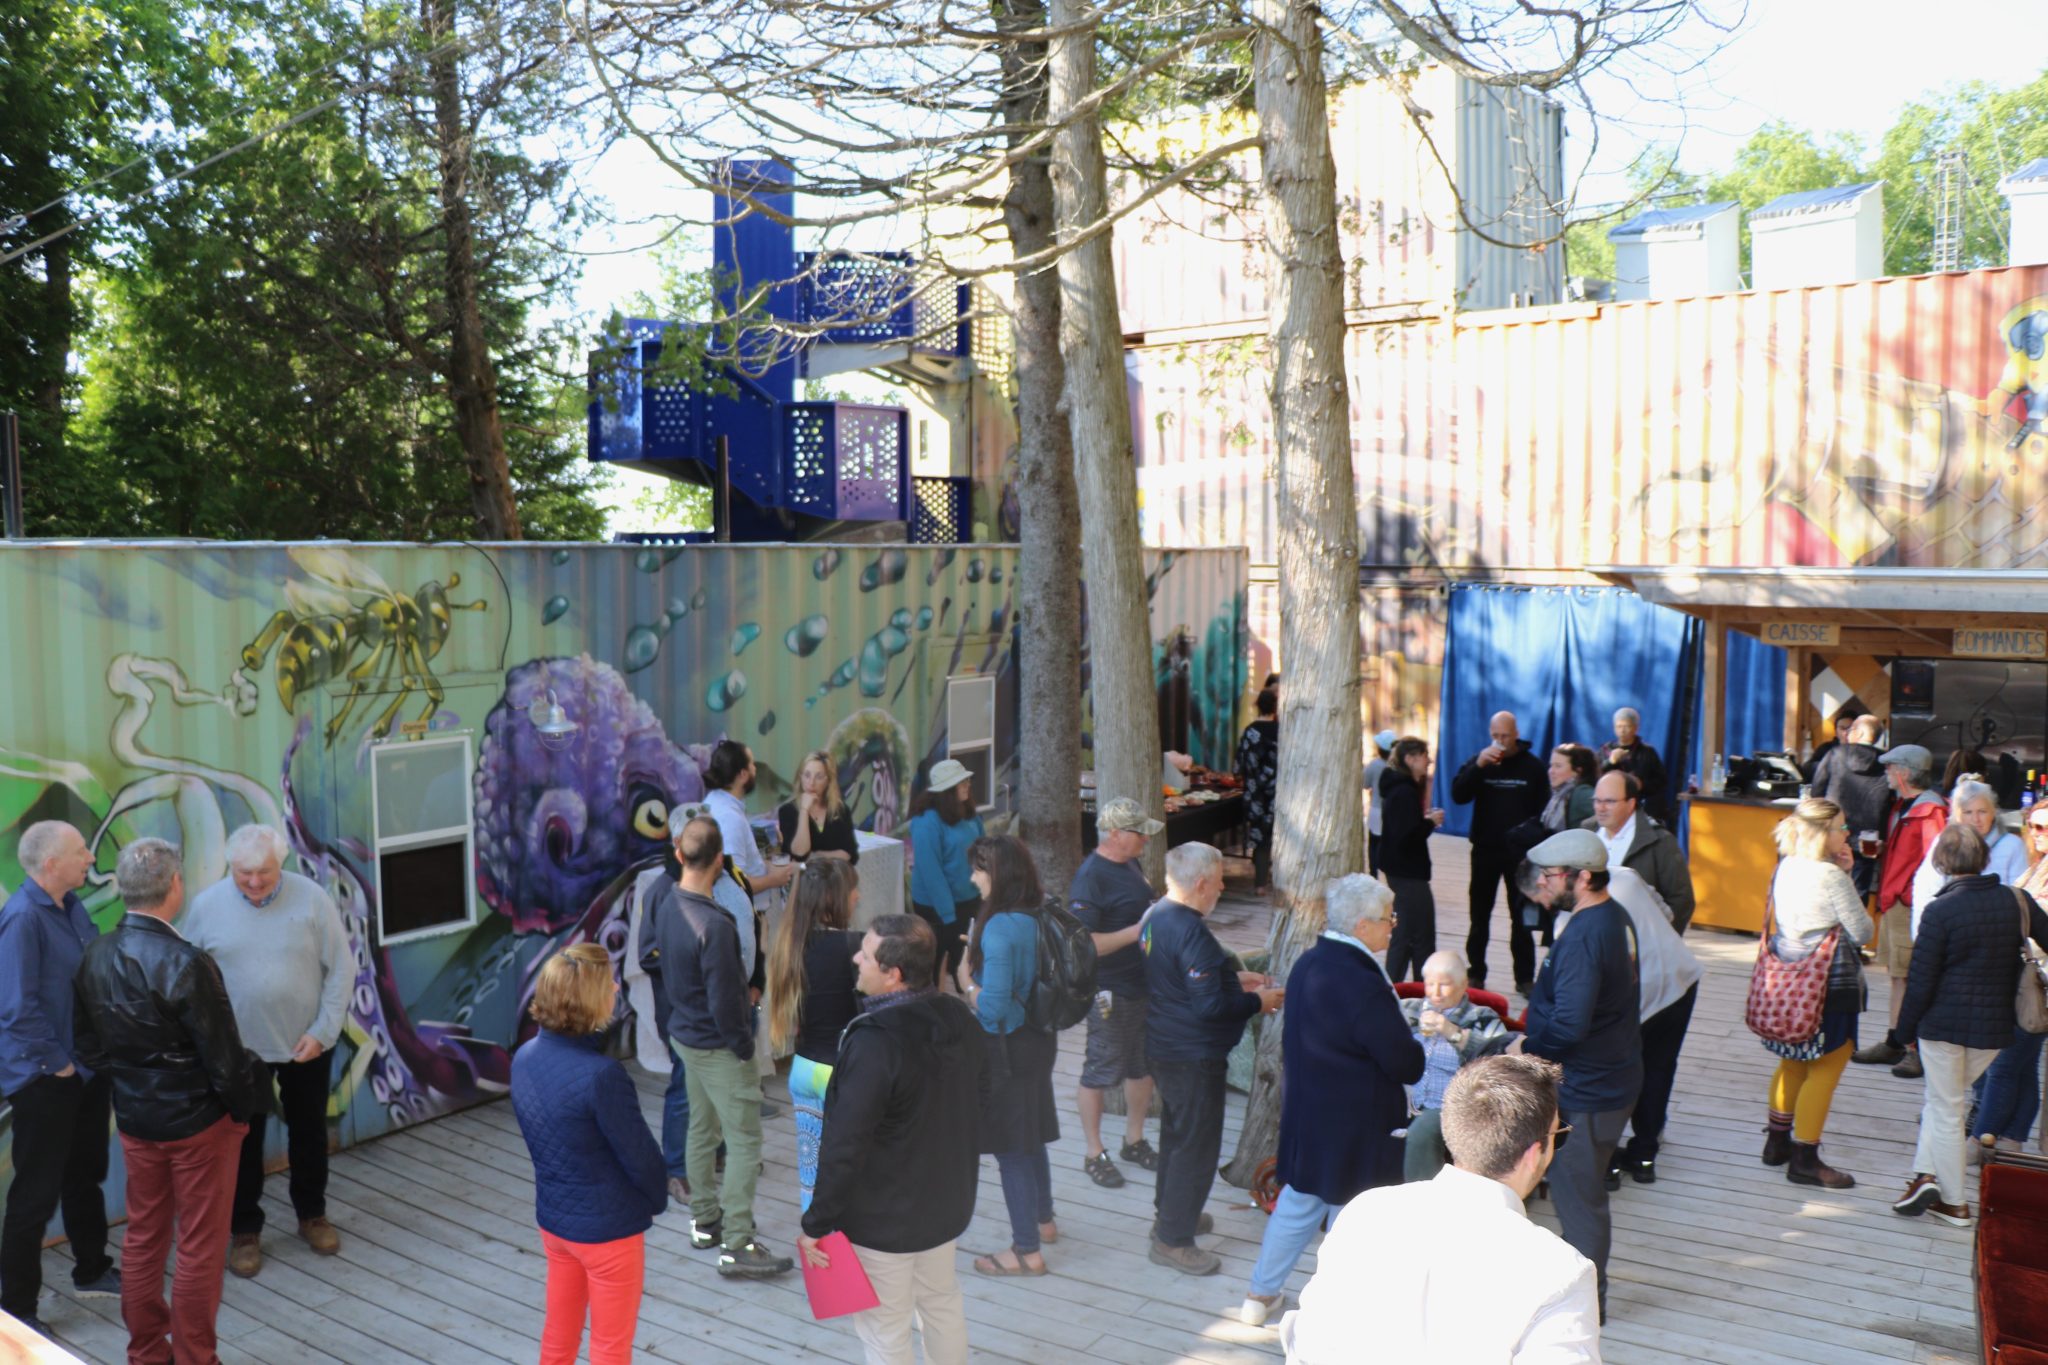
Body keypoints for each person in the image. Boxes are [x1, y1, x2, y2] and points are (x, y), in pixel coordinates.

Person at [73, 837, 264, 1365]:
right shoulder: (186, 961)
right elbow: (224, 1056)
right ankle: (196, 1357)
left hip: (138, 1121)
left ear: (124, 888)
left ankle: (145, 1354)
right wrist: (240, 1113)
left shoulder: (95, 954)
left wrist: (135, 1082)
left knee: (142, 1238)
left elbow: (86, 1044)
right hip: (199, 1124)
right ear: (175, 884)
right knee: (200, 1246)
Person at [1278, 1055, 1599, 1364]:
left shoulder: (1365, 1212)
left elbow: (1308, 1345)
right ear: (1533, 1154)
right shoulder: (1561, 1272)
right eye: (1558, 1137)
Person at [798, 915, 987, 1365]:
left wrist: (816, 1223)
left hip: (883, 1220)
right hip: (945, 1204)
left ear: (893, 974)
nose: (856, 958)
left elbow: (845, 1144)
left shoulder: (875, 1042)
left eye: (866, 954)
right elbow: (980, 1102)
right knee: (942, 1305)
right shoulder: (960, 1017)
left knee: (885, 1330)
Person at [1240, 875, 1425, 1326]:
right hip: (1357, 1126)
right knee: (1353, 1220)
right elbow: (1405, 1063)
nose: (1394, 925)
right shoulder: (1361, 982)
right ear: (1362, 925)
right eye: (1388, 918)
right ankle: (1340, 1314)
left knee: (1297, 1205)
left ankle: (1259, 1296)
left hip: (1309, 1117)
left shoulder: (1309, 962)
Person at [180, 824, 352, 1277]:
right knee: (242, 1141)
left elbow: (342, 968)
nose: (255, 881)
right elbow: (187, 978)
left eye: (264, 871)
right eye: (244, 873)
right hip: (239, 1053)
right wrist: (211, 1042)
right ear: (230, 867)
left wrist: (323, 1031)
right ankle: (244, 1230)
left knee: (309, 1132)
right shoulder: (206, 907)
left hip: (305, 1043)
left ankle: (312, 1215)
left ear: (281, 863)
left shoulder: (312, 898)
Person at [651, 814, 793, 1278]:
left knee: (701, 1129)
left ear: (679, 853)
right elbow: (727, 1003)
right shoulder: (715, 924)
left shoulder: (667, 902)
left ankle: (705, 1221)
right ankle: (736, 1243)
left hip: (685, 1037)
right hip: (719, 1045)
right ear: (719, 861)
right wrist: (744, 1048)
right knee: (745, 1140)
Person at [510, 943, 666, 1365]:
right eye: (608, 982)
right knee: (610, 1348)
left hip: (555, 1223)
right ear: (588, 999)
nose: (616, 986)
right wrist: (656, 1200)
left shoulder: (523, 1059)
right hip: (608, 1232)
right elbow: (641, 1158)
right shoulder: (603, 1076)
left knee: (558, 1337)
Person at [1891, 825, 2048, 1227]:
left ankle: (1954, 1203)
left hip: (1943, 1026)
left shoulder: (1940, 910)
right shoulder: (2016, 900)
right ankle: (1923, 1177)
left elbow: (1921, 981)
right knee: (1943, 1101)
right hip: (1995, 1029)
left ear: (1941, 863)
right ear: (1983, 858)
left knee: (1946, 1108)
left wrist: (1901, 1034)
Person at [0, 821, 120, 1335]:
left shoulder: (71, 906)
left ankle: (91, 1269)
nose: (90, 858)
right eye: (80, 851)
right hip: (47, 1078)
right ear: (51, 864)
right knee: (34, 1195)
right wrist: (61, 1065)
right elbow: (15, 1008)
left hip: (84, 1071)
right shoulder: (23, 919)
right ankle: (17, 1311)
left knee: (83, 1173)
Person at [1142, 842, 1284, 1275]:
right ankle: (1173, 1241)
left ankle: (1171, 1216)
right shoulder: (1192, 932)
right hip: (1193, 1054)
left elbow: (1178, 979)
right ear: (1202, 883)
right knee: (1196, 1148)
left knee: (1176, 1137)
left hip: (1164, 1045)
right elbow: (1210, 1008)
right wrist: (1258, 1002)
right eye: (1220, 881)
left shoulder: (1156, 916)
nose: (1223, 887)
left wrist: (1230, 979)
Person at [1519, 828, 1641, 1321]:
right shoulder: (1613, 916)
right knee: (1579, 1192)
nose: (1542, 884)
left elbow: (1570, 1024)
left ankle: (1589, 1306)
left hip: (1588, 1092)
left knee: (1579, 1199)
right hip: (1611, 1077)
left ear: (1583, 877)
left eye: (1550, 876)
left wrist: (1526, 1046)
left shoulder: (1587, 935)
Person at [1554, 858, 1704, 1188]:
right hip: (1677, 981)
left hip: (1632, 999)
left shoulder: (1571, 920)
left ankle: (1606, 1165)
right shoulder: (1628, 876)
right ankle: (1645, 1157)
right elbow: (1667, 913)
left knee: (1612, 1076)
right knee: (1659, 1069)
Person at [1753, 798, 1872, 1190]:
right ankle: (1805, 1158)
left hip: (1788, 982)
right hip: (1827, 985)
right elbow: (1863, 932)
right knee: (1826, 1066)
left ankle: (1777, 1142)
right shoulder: (1830, 876)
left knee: (1792, 1062)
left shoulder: (1786, 864)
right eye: (1841, 827)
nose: (1847, 834)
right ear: (1823, 832)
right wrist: (1847, 876)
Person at [961, 836, 1061, 1276]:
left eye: (978, 870)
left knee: (1011, 1148)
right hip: (1040, 1038)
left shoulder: (1000, 927)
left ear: (997, 874)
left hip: (1007, 1048)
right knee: (1031, 1132)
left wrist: (967, 981)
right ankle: (1044, 1220)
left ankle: (1026, 1251)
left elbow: (994, 1007)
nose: (972, 878)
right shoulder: (1041, 911)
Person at [1067, 797, 1160, 1189]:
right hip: (1110, 991)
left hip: (1143, 986)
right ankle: (1094, 1152)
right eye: (1139, 833)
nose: (1145, 840)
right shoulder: (1091, 878)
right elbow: (1085, 944)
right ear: (1116, 834)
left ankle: (1133, 1140)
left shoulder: (1131, 864)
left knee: (1143, 1066)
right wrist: (1138, 931)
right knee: (1100, 1071)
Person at [764, 858, 861, 1210]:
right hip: (844, 1073)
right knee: (852, 1175)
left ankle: (816, 1241)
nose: (858, 896)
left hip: (804, 1070)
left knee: (811, 1176)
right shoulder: (857, 948)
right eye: (853, 890)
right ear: (835, 898)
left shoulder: (789, 946)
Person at [1855, 744, 1948, 1077]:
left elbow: (1937, 864)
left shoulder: (1930, 812)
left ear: (1905, 772)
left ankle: (1914, 1049)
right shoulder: (1905, 806)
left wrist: (1908, 895)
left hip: (1909, 905)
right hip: (1896, 902)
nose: (1886, 773)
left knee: (1911, 978)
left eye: (1889, 767)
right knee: (1898, 976)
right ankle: (1895, 1041)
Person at [1450, 711, 1549, 992]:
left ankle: (1524, 978)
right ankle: (1476, 972)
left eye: (1505, 735)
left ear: (1516, 734)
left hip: (1520, 856)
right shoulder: (1481, 761)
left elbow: (1544, 810)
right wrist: (1478, 766)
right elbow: (1458, 795)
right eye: (1495, 736)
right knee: (1479, 915)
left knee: (1521, 917)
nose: (1501, 741)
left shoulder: (1533, 767)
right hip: (1485, 850)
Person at [1396, 951, 1513, 1184]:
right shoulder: (1408, 1010)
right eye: (1430, 984)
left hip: (1449, 1105)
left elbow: (1498, 1060)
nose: (1436, 992)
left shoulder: (1481, 1017)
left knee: (1422, 1132)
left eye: (1445, 985)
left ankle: (1421, 1197)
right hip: (1402, 1099)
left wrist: (1453, 1032)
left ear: (1463, 985)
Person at [1972, 804, 2048, 1161]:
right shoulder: (2036, 867)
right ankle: (2013, 1139)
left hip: (2039, 985)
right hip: (2021, 979)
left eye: (2045, 828)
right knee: (2023, 1065)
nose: (2037, 833)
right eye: (2033, 826)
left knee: (2003, 1065)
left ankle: (1979, 1140)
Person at [1582, 770, 1695, 934]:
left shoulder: (1660, 841)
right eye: (1597, 801)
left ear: (1631, 803)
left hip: (1639, 941)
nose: (1601, 808)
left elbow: (1681, 900)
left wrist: (1660, 940)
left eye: (1610, 801)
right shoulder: (1586, 832)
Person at [1911, 777, 2027, 931]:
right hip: (1953, 931)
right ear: (1957, 816)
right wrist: (1923, 933)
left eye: (1982, 811)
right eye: (1968, 812)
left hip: (1998, 932)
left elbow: (2020, 897)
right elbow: (1926, 889)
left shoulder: (2012, 845)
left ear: (1993, 812)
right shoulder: (1945, 842)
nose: (1975, 819)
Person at [909, 758, 983, 990]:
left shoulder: (969, 814)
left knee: (965, 957)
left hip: (969, 898)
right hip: (936, 906)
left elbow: (983, 849)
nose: (968, 785)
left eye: (967, 780)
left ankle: (965, 995)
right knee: (936, 960)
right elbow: (931, 873)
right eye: (962, 782)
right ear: (947, 790)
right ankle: (936, 1000)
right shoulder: (925, 822)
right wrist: (948, 914)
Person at [1376, 737, 1444, 982]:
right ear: (1410, 759)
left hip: (1401, 870)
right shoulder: (1404, 792)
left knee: (1406, 933)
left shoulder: (1402, 788)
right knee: (1418, 935)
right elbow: (1406, 837)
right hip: (1408, 873)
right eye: (1425, 756)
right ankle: (1412, 987)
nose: (1429, 761)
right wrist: (1429, 823)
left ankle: (1395, 986)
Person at [703, 740, 798, 904]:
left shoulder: (716, 801)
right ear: (743, 775)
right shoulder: (729, 818)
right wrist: (774, 880)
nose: (755, 769)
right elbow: (734, 884)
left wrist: (766, 865)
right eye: (752, 764)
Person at [1810, 715, 1894, 897]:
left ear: (1861, 733)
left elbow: (1816, 792)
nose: (1847, 733)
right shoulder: (1886, 764)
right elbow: (1889, 804)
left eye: (1851, 729)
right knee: (1857, 894)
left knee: (1824, 891)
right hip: (1868, 841)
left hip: (1831, 835)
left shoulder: (1835, 754)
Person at [778, 749, 860, 866]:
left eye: (819, 777)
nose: (811, 783)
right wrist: (804, 810)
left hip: (834, 875)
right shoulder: (787, 811)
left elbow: (850, 854)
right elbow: (800, 854)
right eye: (807, 775)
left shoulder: (840, 810)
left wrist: (816, 855)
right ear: (800, 777)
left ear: (828, 781)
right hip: (803, 877)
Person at [1235, 688, 1280, 894]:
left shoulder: (1250, 731)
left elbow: (1239, 764)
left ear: (1257, 706)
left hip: (1255, 795)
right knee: (1279, 838)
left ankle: (1260, 884)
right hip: (1278, 794)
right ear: (1275, 707)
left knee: (1260, 837)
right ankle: (1277, 879)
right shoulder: (1282, 731)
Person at [1603, 706, 1671, 822]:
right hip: (1613, 808)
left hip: (1642, 807)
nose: (1622, 731)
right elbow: (1597, 777)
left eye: (1627, 726)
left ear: (1636, 728)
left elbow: (1661, 781)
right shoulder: (1606, 750)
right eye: (1619, 726)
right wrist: (1610, 762)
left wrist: (1642, 784)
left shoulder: (1647, 752)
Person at [1363, 728, 1398, 877]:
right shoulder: (1397, 767)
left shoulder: (1374, 765)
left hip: (1376, 808)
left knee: (1374, 843)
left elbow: (1364, 783)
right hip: (1393, 811)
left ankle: (1373, 873)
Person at [1544, 744, 1598, 833]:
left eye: (1558, 766)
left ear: (1577, 771)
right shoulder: (1560, 794)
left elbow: (1611, 812)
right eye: (1551, 765)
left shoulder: (1581, 793)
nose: (1551, 771)